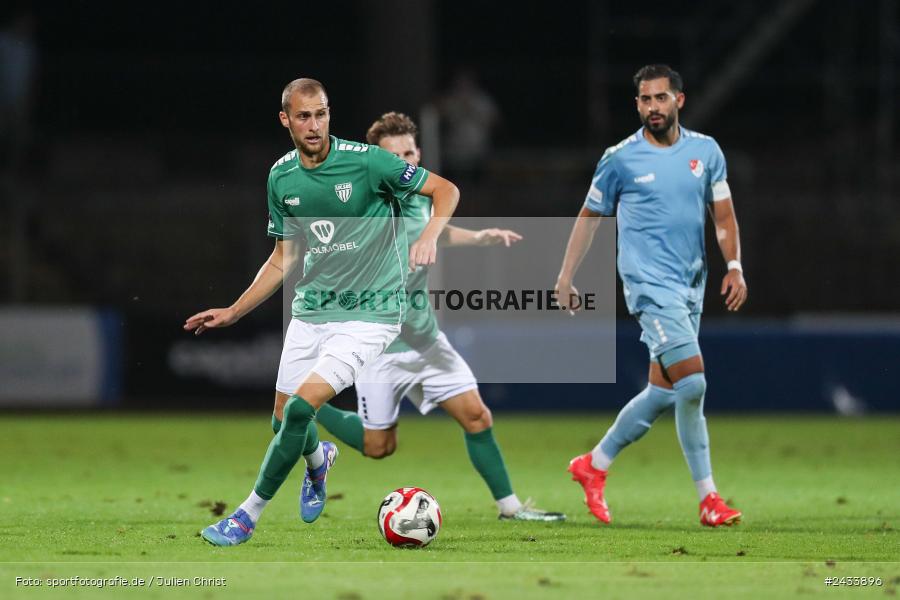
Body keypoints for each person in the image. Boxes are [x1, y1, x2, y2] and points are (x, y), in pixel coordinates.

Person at [184, 79, 459, 546]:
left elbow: (445, 190)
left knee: (298, 410)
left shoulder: (369, 162)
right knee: (282, 421)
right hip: (311, 311)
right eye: (304, 116)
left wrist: (430, 234)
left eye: (322, 114)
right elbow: (283, 258)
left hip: (370, 315)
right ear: (285, 119)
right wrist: (234, 311)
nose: (315, 125)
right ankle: (318, 463)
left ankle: (246, 516)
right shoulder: (281, 177)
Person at [316, 112, 565, 522]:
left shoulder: (418, 197)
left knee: (476, 415)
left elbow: (436, 230)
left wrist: (478, 237)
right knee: (380, 447)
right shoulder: (361, 206)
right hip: (380, 349)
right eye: (392, 156)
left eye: (409, 153)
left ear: (419, 153)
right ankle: (304, 405)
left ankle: (511, 508)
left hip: (426, 341)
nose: (404, 162)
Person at [556, 65, 747, 527]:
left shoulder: (706, 152)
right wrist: (565, 277)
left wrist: (735, 266)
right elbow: (589, 217)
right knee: (694, 382)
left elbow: (722, 216)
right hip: (648, 286)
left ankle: (593, 465)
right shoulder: (620, 158)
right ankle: (709, 499)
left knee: (663, 392)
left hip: (691, 285)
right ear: (637, 105)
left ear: (679, 100)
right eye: (645, 100)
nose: (653, 107)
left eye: (661, 98)